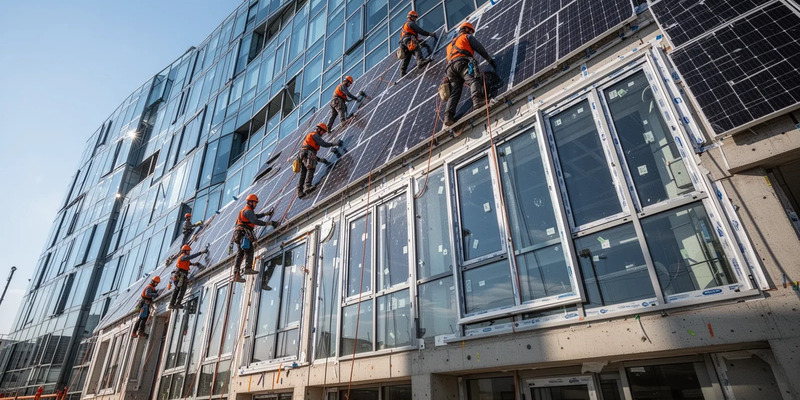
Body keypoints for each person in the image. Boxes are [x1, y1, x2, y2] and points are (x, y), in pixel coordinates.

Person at [443, 22, 497, 126]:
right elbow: (479, 48)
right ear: (467, 29)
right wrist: (489, 59)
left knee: (455, 92)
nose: (471, 33)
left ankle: (448, 117)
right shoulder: (467, 37)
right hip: (461, 63)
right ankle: (477, 101)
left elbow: (449, 59)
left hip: (450, 69)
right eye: (471, 31)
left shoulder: (449, 45)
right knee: (473, 80)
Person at [230, 194, 278, 282]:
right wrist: (270, 223)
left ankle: (236, 275)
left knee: (240, 254)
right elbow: (255, 220)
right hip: (243, 233)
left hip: (238, 234)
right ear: (250, 202)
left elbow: (255, 216)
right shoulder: (247, 211)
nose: (256, 205)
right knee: (249, 249)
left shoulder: (245, 211)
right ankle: (248, 268)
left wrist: (265, 214)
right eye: (255, 203)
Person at [296, 123, 343, 197]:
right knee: (311, 168)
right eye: (323, 131)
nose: (323, 133)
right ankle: (307, 186)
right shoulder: (315, 135)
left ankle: (300, 192)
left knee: (304, 172)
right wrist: (334, 144)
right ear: (318, 129)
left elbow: (309, 152)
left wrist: (320, 160)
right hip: (307, 152)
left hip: (302, 154)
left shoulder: (310, 136)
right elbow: (324, 144)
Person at [169, 244, 208, 309]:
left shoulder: (183, 257)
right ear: (184, 251)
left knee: (177, 289)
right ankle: (177, 303)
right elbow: (190, 257)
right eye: (188, 251)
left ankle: (172, 304)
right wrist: (200, 252)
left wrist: (192, 264)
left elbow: (187, 262)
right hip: (180, 275)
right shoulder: (183, 257)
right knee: (182, 289)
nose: (189, 252)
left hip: (180, 275)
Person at [399, 10, 437, 76]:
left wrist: (419, 41)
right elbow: (420, 31)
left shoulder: (405, 25)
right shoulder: (411, 23)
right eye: (415, 17)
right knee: (415, 47)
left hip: (403, 43)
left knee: (408, 54)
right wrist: (430, 34)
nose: (415, 19)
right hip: (408, 40)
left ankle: (403, 71)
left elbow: (407, 35)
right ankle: (420, 61)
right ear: (411, 17)